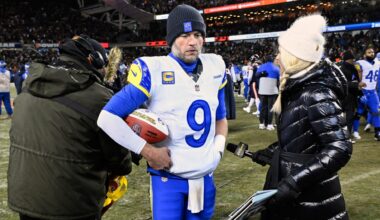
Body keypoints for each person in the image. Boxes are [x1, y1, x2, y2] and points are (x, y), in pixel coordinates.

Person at [97, 4, 228, 220]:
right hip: (168, 179)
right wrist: (147, 151)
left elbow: (220, 118)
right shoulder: (154, 70)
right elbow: (107, 117)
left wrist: (218, 150)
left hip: (205, 177)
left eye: (197, 34)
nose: (192, 41)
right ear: (172, 39)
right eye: (184, 35)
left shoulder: (215, 66)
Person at [8, 35, 132, 220]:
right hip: (72, 206)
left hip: (25, 200)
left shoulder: (29, 85)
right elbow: (120, 163)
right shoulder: (98, 98)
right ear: (93, 59)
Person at [251, 14, 352, 220]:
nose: (277, 58)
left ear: (294, 56)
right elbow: (303, 138)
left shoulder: (316, 93)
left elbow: (340, 148)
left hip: (313, 198)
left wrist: (294, 181)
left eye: (281, 52)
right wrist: (272, 153)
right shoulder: (298, 90)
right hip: (300, 194)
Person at [352, 47, 380, 140]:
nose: (371, 53)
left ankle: (377, 133)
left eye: (372, 52)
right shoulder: (360, 63)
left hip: (373, 92)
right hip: (363, 91)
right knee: (359, 112)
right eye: (369, 52)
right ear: (364, 55)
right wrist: (359, 92)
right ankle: (355, 131)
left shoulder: (377, 62)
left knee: (376, 112)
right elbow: (355, 77)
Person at [339, 50, 362, 141]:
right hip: (344, 95)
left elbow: (357, 80)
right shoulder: (342, 69)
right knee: (347, 117)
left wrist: (359, 73)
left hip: (352, 95)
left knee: (350, 116)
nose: (354, 60)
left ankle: (348, 135)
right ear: (348, 59)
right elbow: (342, 83)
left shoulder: (353, 68)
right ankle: (346, 136)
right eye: (352, 59)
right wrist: (357, 85)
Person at [255, 55, 280, 130]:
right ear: (272, 60)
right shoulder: (276, 67)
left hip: (262, 89)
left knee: (263, 107)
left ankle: (261, 124)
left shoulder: (261, 67)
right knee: (270, 107)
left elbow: (256, 75)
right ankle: (269, 124)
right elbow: (279, 79)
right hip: (272, 89)